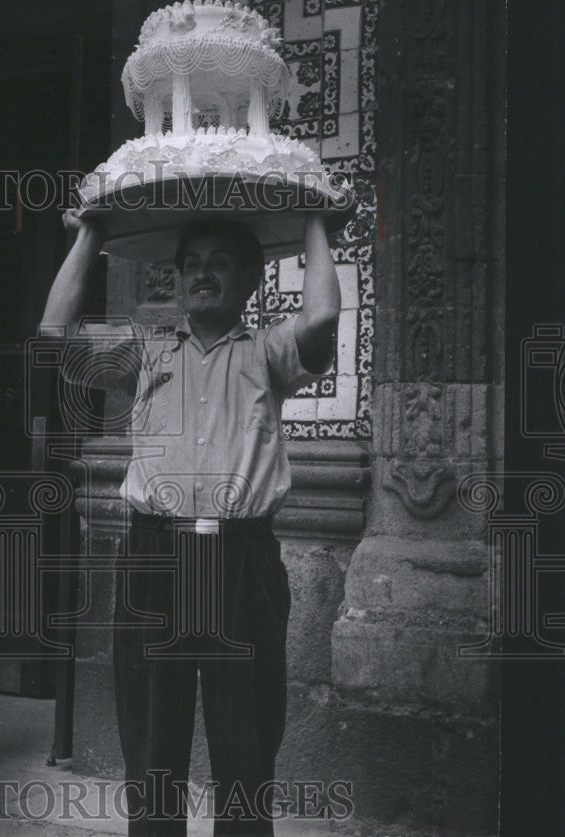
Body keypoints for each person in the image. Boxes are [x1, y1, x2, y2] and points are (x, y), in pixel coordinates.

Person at [40, 209, 340, 835]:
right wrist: (90, 233)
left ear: (251, 280)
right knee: (151, 737)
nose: (203, 276)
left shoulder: (270, 351)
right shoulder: (140, 353)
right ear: (176, 279)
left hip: (241, 561)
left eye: (220, 264)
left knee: (247, 739)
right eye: (192, 265)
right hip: (155, 557)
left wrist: (315, 221)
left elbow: (322, 319)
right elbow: (55, 332)